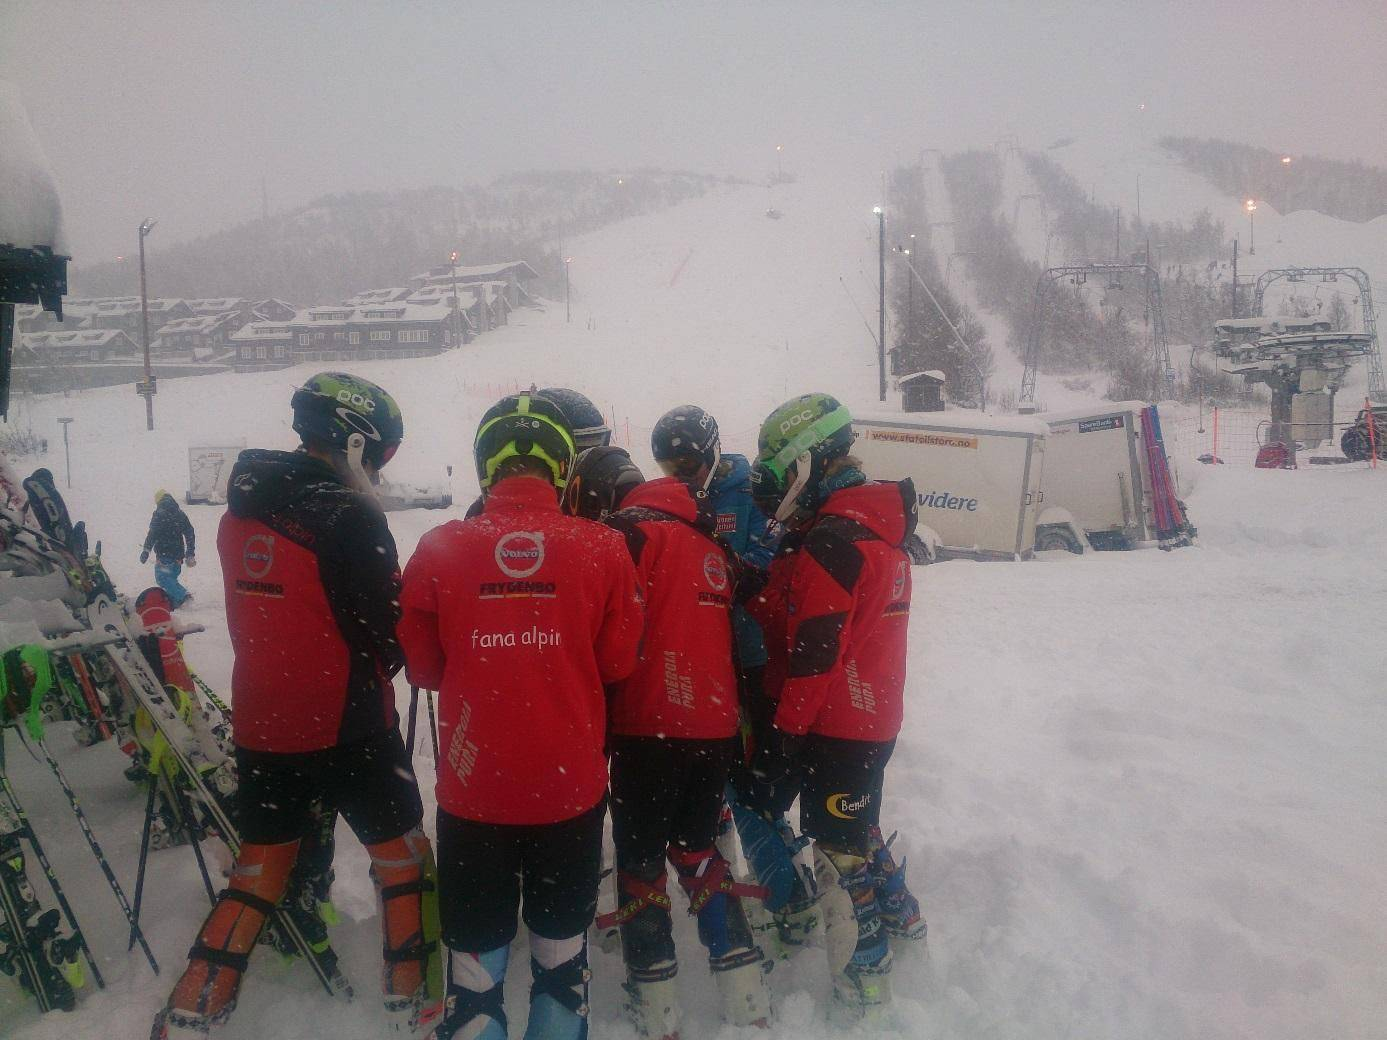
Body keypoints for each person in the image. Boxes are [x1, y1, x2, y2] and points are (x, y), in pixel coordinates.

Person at [155, 373, 440, 1039]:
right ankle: (412, 998)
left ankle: (194, 1007)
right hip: (348, 719)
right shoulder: (348, 515)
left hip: (263, 719)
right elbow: (385, 626)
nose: (379, 469)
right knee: (401, 857)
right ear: (354, 442)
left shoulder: (240, 509)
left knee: (261, 866)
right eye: (381, 453)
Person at [398, 392, 643, 1040]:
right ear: (563, 470)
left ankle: (478, 1015)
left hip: (475, 788)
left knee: (474, 978)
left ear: (486, 468)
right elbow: (618, 662)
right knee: (561, 967)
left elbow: (421, 669)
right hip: (567, 787)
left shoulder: (440, 547)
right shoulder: (603, 548)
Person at [566, 437, 771, 1036]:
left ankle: (655, 1000)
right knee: (699, 850)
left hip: (648, 722)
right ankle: (745, 991)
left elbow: (605, 630)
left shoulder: (624, 535)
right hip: (714, 725)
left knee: (640, 861)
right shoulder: (707, 537)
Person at [743, 392, 924, 1023]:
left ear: (803, 464)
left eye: (775, 471)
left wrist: (785, 734)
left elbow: (816, 650)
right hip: (872, 714)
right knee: (856, 823)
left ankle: (864, 982)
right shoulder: (869, 525)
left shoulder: (831, 540)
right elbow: (826, 620)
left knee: (837, 849)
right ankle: (903, 919)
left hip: (836, 719)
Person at [649, 407, 819, 949]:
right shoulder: (682, 500)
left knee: (752, 782)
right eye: (668, 464)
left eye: (689, 461)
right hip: (707, 660)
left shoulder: (747, 491)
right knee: (719, 776)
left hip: (752, 660)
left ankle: (788, 893)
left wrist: (722, 562)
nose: (682, 473)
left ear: (713, 451)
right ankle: (739, 859)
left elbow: (770, 564)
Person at [140, 490, 196, 608]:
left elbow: (152, 534)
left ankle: (184, 596)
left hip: (164, 553)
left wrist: (146, 550)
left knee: (162, 578)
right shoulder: (179, 513)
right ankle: (174, 603)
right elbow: (189, 532)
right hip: (178, 555)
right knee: (172, 579)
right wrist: (190, 552)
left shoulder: (159, 514)